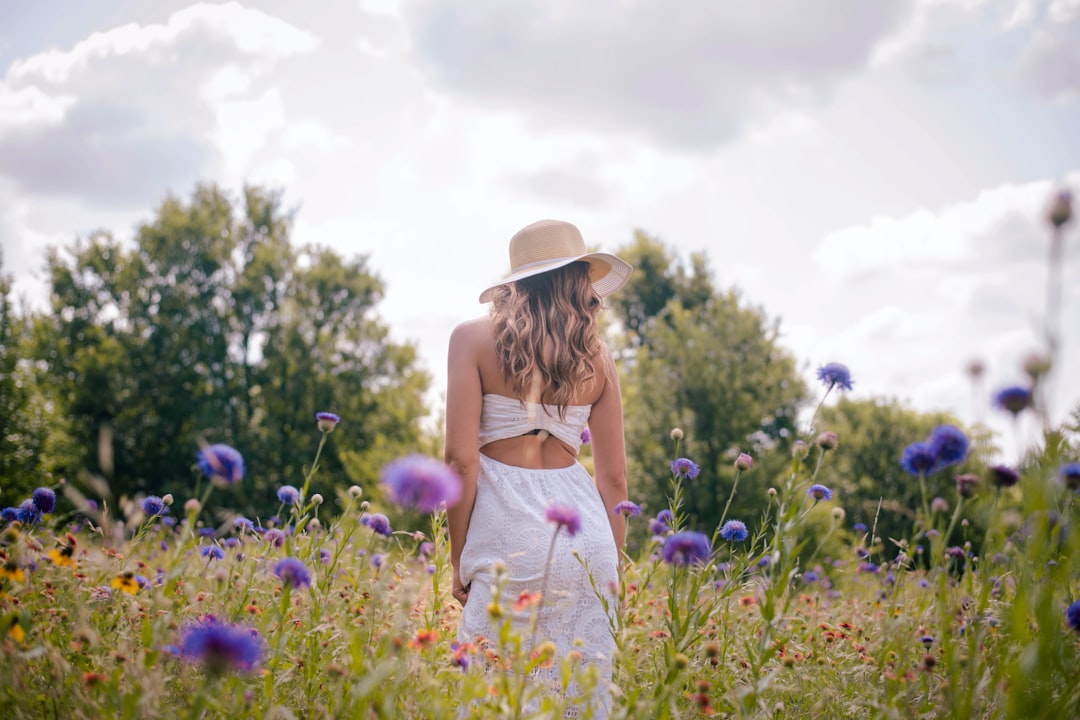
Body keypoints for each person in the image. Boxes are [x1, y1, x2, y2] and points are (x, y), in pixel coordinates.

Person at [444, 219, 633, 717]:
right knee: (578, 696)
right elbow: (613, 480)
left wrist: (458, 557)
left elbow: (460, 462)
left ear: (516, 284)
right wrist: (610, 570)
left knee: (491, 695)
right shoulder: (600, 359)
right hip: (587, 538)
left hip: (506, 533)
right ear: (579, 281)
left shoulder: (471, 339)